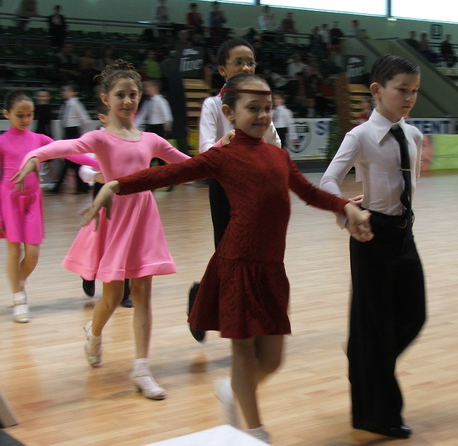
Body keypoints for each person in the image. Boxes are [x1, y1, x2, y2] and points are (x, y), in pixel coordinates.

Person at [80, 73, 373, 443]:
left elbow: (309, 193)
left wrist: (346, 207)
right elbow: (169, 173)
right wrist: (115, 184)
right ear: (230, 113)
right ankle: (256, 432)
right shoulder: (223, 156)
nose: (263, 115)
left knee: (272, 359)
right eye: (253, 108)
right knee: (244, 353)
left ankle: (233, 391)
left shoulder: (279, 156)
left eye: (267, 108)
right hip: (237, 265)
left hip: (272, 269)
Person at [12, 61, 191, 400]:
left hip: (145, 220)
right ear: (106, 99)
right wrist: (35, 156)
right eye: (120, 95)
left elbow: (190, 165)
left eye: (133, 94)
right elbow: (63, 147)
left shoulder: (151, 140)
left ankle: (142, 368)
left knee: (143, 293)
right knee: (111, 296)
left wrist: (224, 153)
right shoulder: (100, 138)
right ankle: (94, 333)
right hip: (115, 219)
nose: (128, 100)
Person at [320, 55, 427, 440]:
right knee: (376, 327)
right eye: (402, 90)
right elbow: (328, 181)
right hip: (371, 235)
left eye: (415, 91)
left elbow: (404, 186)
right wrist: (348, 211)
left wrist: (379, 200)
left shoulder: (413, 136)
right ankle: (378, 414)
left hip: (404, 234)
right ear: (377, 90)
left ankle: (363, 358)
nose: (409, 97)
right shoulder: (360, 136)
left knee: (414, 315)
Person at [192, 38, 281, 343]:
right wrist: (226, 143)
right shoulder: (212, 105)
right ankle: (214, 308)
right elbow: (205, 149)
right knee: (228, 254)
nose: (246, 67)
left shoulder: (260, 105)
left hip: (257, 189)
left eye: (250, 62)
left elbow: (276, 145)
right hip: (224, 187)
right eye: (238, 62)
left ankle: (244, 319)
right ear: (222, 69)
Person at [1, 91, 97, 323]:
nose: (26, 119)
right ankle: (19, 298)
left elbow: (70, 152)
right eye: (20, 115)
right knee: (14, 250)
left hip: (33, 200)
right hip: (9, 200)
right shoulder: (2, 141)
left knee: (33, 255)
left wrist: (98, 162)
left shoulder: (39, 139)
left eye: (29, 115)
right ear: (7, 114)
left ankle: (18, 284)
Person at [78, 102, 132, 308]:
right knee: (98, 243)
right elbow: (83, 169)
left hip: (126, 200)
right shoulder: (95, 139)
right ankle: (88, 274)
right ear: (102, 117)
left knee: (124, 244)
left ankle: (124, 292)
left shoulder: (131, 137)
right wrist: (96, 176)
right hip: (101, 201)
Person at [52, 84, 92, 194]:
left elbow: (86, 120)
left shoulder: (76, 104)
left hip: (73, 133)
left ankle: (60, 187)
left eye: (67, 90)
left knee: (71, 161)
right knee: (71, 161)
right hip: (68, 134)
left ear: (74, 92)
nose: (64, 92)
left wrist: (79, 134)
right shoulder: (67, 104)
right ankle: (82, 187)